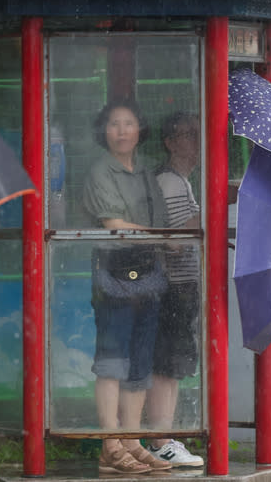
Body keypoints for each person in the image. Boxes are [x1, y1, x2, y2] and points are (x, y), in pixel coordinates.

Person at [82, 99, 172, 474]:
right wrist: (162, 237)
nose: (121, 130)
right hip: (113, 274)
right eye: (114, 124)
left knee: (139, 361)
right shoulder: (100, 171)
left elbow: (164, 222)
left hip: (149, 273)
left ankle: (132, 441)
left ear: (140, 131)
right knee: (112, 360)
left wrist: (167, 237)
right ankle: (110, 443)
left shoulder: (147, 173)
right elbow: (114, 224)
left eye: (128, 123)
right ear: (105, 132)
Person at [145, 112, 204, 467]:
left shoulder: (183, 181)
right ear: (169, 143)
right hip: (171, 285)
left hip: (181, 285)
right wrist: (211, 211)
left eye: (197, 135)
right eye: (187, 135)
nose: (195, 142)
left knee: (174, 362)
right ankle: (159, 439)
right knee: (166, 363)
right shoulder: (170, 182)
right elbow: (174, 240)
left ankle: (164, 436)